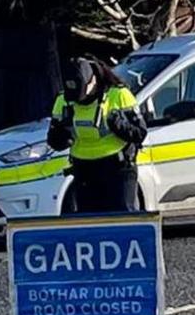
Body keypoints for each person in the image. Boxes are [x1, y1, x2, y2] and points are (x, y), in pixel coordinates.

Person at [47, 58, 146, 214]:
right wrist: (63, 135)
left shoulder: (119, 95)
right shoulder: (64, 100)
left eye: (82, 94)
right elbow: (53, 141)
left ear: (92, 81)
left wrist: (119, 125)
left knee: (123, 220)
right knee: (90, 223)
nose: (80, 101)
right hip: (84, 171)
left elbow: (140, 133)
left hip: (117, 170)